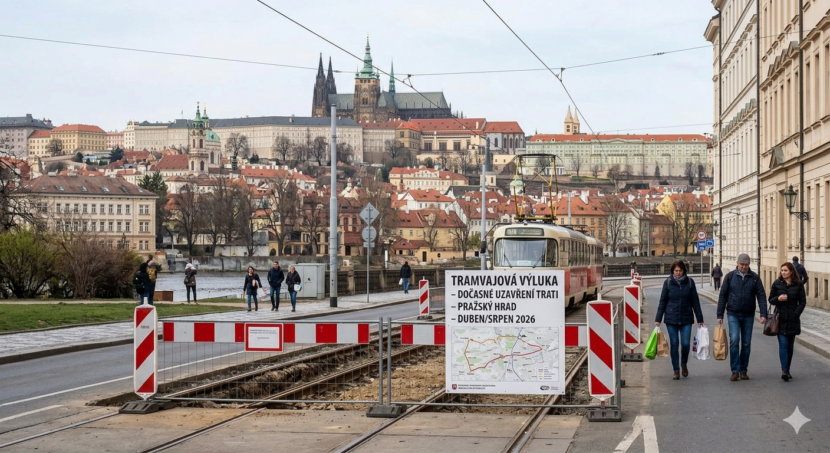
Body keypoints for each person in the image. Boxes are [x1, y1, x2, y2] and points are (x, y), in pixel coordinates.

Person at [716, 253, 768, 381]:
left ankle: (743, 370)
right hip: (733, 313)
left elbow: (761, 296)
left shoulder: (754, 278)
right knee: (734, 340)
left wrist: (763, 314)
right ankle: (735, 370)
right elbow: (723, 296)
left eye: (746, 264)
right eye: (742, 264)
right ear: (737, 263)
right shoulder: (730, 277)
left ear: (749, 264)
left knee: (746, 343)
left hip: (748, 314)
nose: (744, 267)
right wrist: (720, 314)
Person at [655, 260, 705, 380]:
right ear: (673, 271)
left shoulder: (690, 282)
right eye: (676, 271)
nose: (678, 273)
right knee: (674, 344)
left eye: (680, 271)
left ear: (684, 271)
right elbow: (662, 302)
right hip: (671, 319)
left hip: (686, 318)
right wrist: (658, 319)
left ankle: (683, 363)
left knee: (685, 344)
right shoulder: (667, 283)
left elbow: (695, 302)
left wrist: (700, 318)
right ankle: (676, 370)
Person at [768, 262, 807, 382]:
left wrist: (796, 313)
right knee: (783, 345)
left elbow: (803, 302)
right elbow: (771, 299)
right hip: (780, 319)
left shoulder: (798, 284)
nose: (783, 272)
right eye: (782, 270)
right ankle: (784, 370)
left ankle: (788, 369)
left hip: (793, 319)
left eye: (785, 270)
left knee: (790, 347)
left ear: (791, 271)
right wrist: (778, 299)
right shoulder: (777, 284)